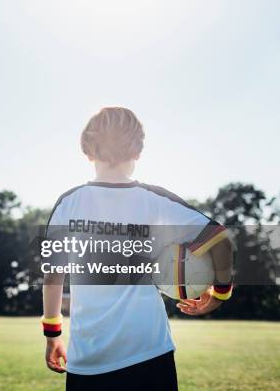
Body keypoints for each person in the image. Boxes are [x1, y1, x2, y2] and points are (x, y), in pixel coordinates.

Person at [41, 107, 233, 390]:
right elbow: (220, 239)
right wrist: (220, 293)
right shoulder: (154, 200)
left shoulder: (68, 203)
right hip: (149, 354)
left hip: (87, 360)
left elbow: (53, 277)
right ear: (138, 151)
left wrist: (53, 334)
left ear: (87, 150)